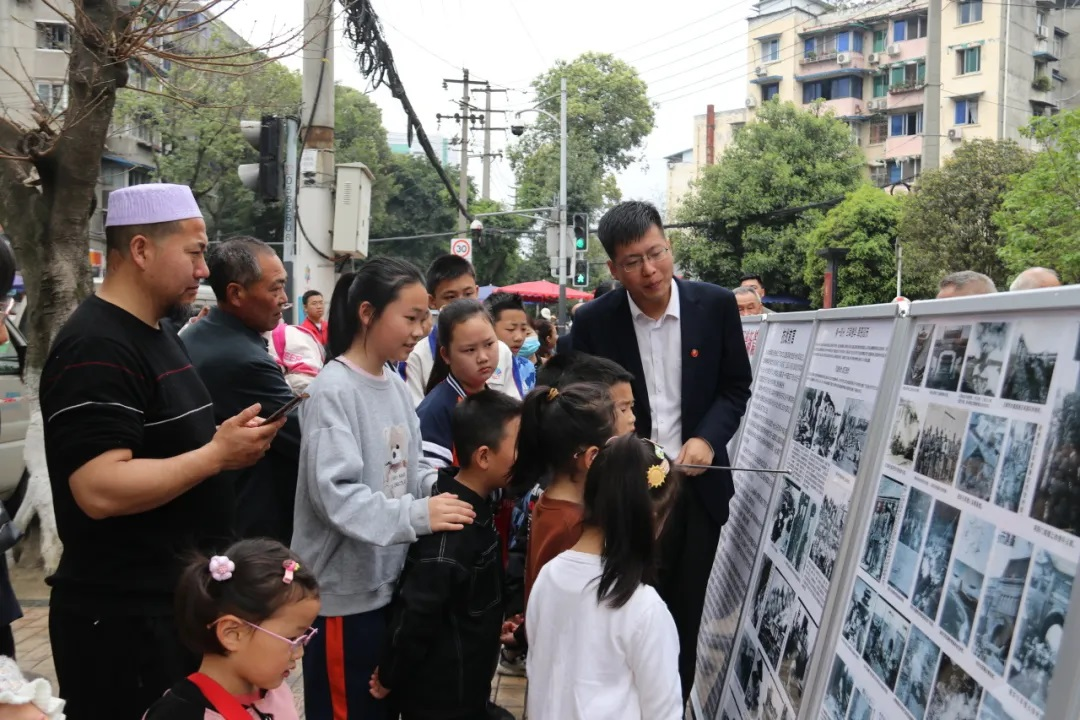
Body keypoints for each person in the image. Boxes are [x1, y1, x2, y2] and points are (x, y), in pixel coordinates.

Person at [39, 184, 284, 720]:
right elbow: (99, 488)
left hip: (166, 612)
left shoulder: (157, 332)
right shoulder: (96, 346)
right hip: (124, 623)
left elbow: (166, 438)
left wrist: (224, 438)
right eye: (194, 252)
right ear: (141, 250)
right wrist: (216, 455)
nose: (204, 269)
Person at [571, 200, 752, 701]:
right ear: (614, 268)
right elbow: (579, 401)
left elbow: (735, 386)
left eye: (656, 253)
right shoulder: (594, 323)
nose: (649, 270)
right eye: (633, 261)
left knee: (682, 620)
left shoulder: (714, 305)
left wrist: (708, 439)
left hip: (696, 490)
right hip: (627, 496)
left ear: (669, 246)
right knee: (624, 613)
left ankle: (673, 705)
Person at [292, 257, 476, 720]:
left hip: (387, 587)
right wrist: (419, 515)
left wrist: (447, 489)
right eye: (411, 318)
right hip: (342, 599)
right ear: (367, 313)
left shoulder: (393, 385)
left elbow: (410, 470)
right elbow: (336, 496)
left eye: (425, 319)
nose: (420, 331)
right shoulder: (333, 389)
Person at [373, 390, 522, 720]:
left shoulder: (477, 508)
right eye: (518, 447)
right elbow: (415, 615)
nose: (524, 456)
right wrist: (389, 675)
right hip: (442, 699)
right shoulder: (451, 532)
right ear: (484, 457)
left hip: (469, 686)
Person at [525, 434, 682, 720]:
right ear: (652, 518)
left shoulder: (548, 577)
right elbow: (664, 712)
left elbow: (537, 672)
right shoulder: (644, 609)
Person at [501, 355, 636, 676]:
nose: (632, 419)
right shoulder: (572, 525)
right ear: (591, 457)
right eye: (623, 410)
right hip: (570, 669)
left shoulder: (553, 504)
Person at [182, 237, 301, 544]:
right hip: (247, 524)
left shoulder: (200, 333)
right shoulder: (243, 360)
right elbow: (305, 436)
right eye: (274, 289)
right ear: (236, 293)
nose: (283, 298)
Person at [143, 538, 319, 720]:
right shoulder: (177, 715)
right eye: (293, 639)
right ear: (232, 634)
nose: (300, 653)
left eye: (304, 637)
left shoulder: (277, 693)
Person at [418, 299, 502, 469]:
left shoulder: (494, 400)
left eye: (489, 344)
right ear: (446, 355)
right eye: (470, 350)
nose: (483, 357)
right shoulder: (435, 411)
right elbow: (433, 479)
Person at [400, 255, 480, 405]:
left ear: (477, 292)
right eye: (450, 297)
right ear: (431, 301)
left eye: (468, 294)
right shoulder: (415, 357)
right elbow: (415, 413)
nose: (461, 304)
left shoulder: (499, 351)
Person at [485, 291, 535, 398]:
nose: (519, 337)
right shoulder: (481, 368)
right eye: (511, 329)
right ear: (489, 327)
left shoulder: (528, 367)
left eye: (524, 329)